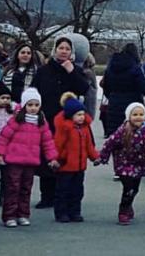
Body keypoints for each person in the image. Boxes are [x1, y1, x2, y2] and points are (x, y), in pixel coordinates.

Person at [31, 35, 89, 209]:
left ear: (71, 53)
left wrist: (71, 71)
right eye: (61, 48)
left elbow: (84, 89)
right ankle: (46, 195)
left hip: (68, 122)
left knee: (64, 155)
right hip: (47, 118)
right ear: (55, 50)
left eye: (67, 49)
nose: (64, 51)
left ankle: (61, 195)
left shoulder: (76, 70)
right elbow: (34, 91)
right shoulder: (44, 70)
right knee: (47, 156)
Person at [0, 88, 59, 227]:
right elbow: (4, 137)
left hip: (30, 161)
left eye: (36, 105)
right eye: (30, 105)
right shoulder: (16, 120)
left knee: (26, 188)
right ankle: (9, 215)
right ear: (24, 105)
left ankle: (23, 214)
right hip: (14, 160)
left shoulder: (41, 122)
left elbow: (48, 142)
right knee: (12, 188)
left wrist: (52, 158)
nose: (33, 108)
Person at [96, 102, 145, 225]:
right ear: (129, 116)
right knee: (128, 188)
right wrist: (102, 157)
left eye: (141, 114)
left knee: (135, 189)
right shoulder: (122, 131)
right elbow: (109, 144)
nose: (138, 117)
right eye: (135, 114)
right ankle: (123, 211)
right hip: (123, 164)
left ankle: (128, 205)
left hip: (139, 164)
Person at [53, 93, 98, 222]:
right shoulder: (65, 129)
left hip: (80, 166)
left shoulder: (84, 129)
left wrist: (95, 157)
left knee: (77, 191)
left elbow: (89, 146)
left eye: (83, 114)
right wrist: (55, 159)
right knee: (63, 191)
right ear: (70, 115)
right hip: (66, 165)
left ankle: (75, 211)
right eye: (78, 115)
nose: (82, 117)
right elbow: (58, 145)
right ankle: (61, 213)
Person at [101, 43, 145, 138]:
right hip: (132, 106)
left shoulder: (111, 68)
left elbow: (106, 87)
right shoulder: (135, 69)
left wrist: (113, 97)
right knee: (133, 139)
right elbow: (144, 88)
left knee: (115, 139)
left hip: (114, 105)